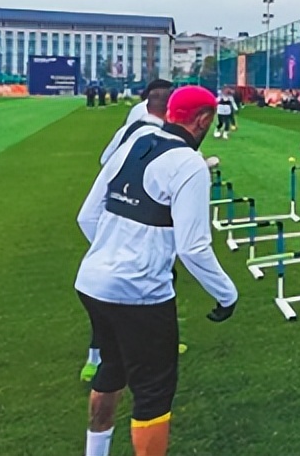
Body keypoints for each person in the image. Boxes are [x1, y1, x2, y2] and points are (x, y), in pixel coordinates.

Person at [75, 86, 238, 456]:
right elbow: (193, 247)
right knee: (153, 394)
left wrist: (113, 254)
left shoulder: (133, 142)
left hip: (92, 282)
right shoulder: (190, 164)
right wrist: (227, 295)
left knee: (111, 369)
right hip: (141, 293)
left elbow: (87, 216)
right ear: (204, 120)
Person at [87, 81, 177, 380]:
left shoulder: (133, 126)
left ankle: (97, 359)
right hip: (129, 221)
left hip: (113, 214)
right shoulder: (151, 134)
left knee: (103, 293)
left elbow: (105, 159)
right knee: (133, 294)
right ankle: (123, 356)